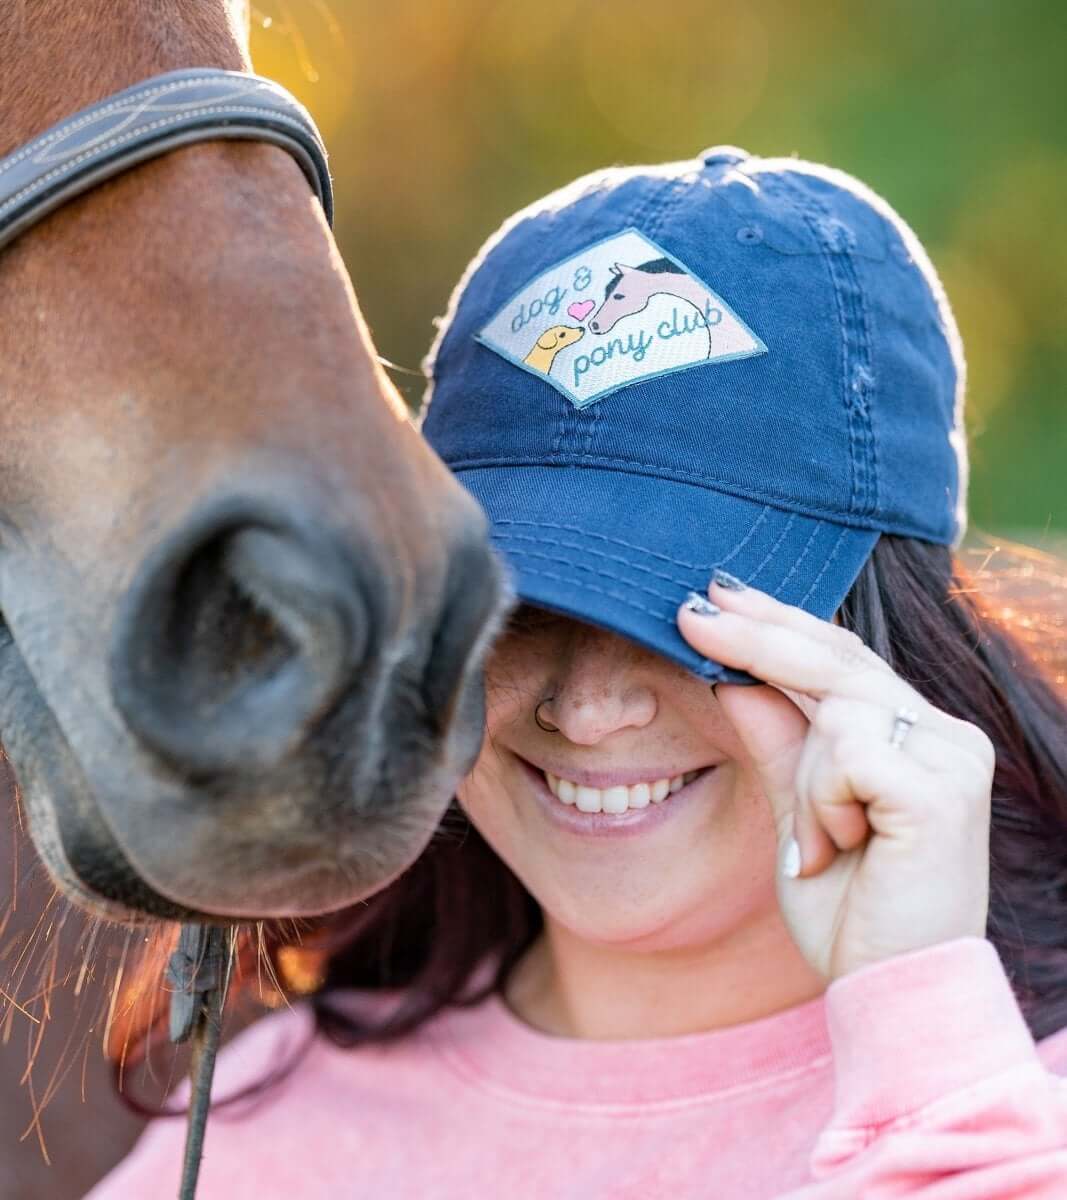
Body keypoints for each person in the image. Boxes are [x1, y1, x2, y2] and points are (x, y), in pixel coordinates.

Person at [87, 147, 1067, 1198]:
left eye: (687, 613)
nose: (589, 710)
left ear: (877, 631)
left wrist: (911, 1024)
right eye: (520, 609)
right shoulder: (269, 1128)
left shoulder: (999, 1095)